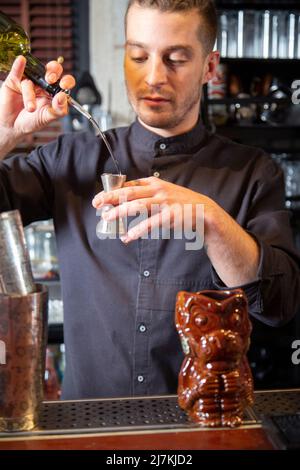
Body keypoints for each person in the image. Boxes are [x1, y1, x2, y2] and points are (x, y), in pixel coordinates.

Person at [0, 0, 299, 400]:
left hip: (205, 431)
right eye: (138, 56)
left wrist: (209, 221)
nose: (154, 76)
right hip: (87, 431)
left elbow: (280, 305)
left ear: (210, 68)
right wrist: (3, 136)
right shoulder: (69, 160)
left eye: (175, 59)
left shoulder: (253, 173)